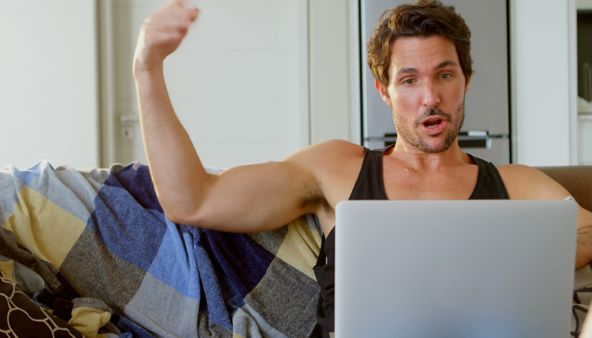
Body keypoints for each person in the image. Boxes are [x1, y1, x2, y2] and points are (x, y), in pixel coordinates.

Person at [133, 0, 592, 336]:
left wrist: (525, 258)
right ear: (384, 91)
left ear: (465, 82)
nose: (430, 97)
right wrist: (147, 69)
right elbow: (192, 199)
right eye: (409, 80)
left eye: (445, 75)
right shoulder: (337, 169)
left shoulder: (516, 183)